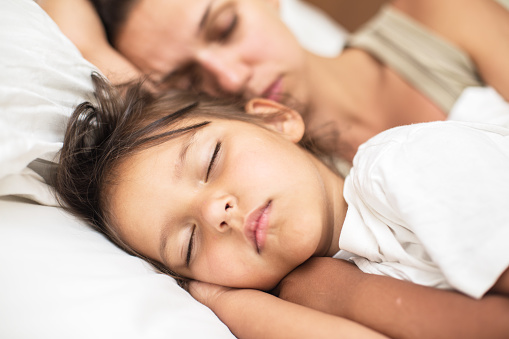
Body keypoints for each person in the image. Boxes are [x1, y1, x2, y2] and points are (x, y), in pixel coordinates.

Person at [55, 73, 509, 339]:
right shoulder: (317, 296)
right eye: (189, 242)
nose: (217, 212)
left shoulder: (398, 164)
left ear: (276, 119)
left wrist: (340, 294)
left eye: (212, 160)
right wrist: (226, 304)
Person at [39, 0, 509, 166]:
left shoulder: (436, 16)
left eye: (226, 28)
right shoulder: (287, 189)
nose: (231, 78)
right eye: (187, 78)